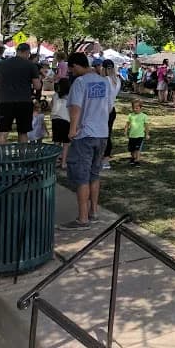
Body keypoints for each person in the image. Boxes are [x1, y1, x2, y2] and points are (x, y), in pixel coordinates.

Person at [61, 52, 112, 230]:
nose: (71, 71)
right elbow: (109, 106)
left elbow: (76, 107)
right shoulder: (105, 82)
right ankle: (94, 212)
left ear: (76, 65)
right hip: (102, 134)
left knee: (82, 177)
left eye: (71, 68)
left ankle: (82, 219)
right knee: (94, 174)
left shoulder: (80, 83)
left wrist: (72, 129)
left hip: (85, 135)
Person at [0, 42, 42, 144]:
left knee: (3, 132)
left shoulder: (2, 64)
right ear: (27, 52)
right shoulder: (31, 65)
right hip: (24, 101)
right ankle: (22, 158)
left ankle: (0, 158)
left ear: (17, 51)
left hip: (5, 101)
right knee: (23, 132)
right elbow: (37, 86)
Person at [98, 60, 122, 170]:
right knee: (108, 134)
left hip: (104, 110)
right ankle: (105, 158)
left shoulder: (104, 80)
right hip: (112, 109)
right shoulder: (117, 80)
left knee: (102, 136)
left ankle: (103, 158)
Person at [51, 79, 71, 170]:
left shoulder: (55, 95)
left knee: (56, 141)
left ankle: (55, 161)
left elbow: (51, 105)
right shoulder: (70, 97)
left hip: (55, 119)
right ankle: (63, 163)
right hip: (65, 120)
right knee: (66, 143)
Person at [125, 99, 150, 166]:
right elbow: (127, 124)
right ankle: (133, 158)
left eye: (137, 108)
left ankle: (137, 160)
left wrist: (147, 134)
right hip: (132, 135)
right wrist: (126, 131)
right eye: (133, 108)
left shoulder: (144, 116)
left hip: (140, 136)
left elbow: (146, 126)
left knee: (137, 149)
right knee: (131, 149)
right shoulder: (130, 115)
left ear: (141, 108)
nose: (135, 109)